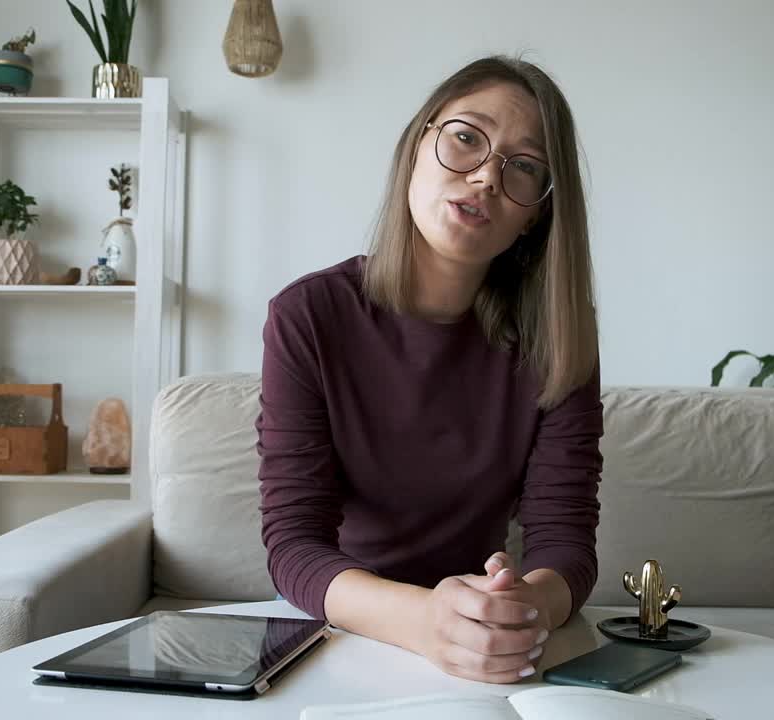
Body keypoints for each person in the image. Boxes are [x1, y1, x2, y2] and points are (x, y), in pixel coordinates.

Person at [256, 55, 603, 685]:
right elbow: (293, 544)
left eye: (523, 167)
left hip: (484, 633)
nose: (486, 179)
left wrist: (525, 604)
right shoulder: (307, 315)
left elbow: (566, 542)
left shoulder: (558, 333)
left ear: (536, 214)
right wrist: (424, 621)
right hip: (349, 625)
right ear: (418, 143)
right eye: (467, 138)